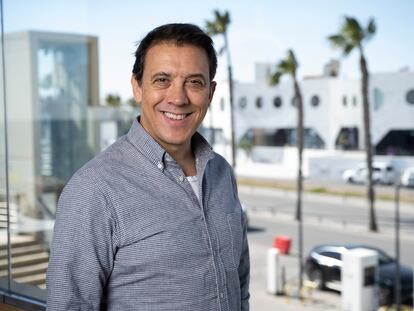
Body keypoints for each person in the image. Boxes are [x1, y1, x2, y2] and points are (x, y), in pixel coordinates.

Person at [46, 23, 250, 310]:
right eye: (162, 80)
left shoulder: (222, 172)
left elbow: (239, 286)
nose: (178, 98)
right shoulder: (93, 190)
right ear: (137, 87)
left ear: (210, 92)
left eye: (194, 82)